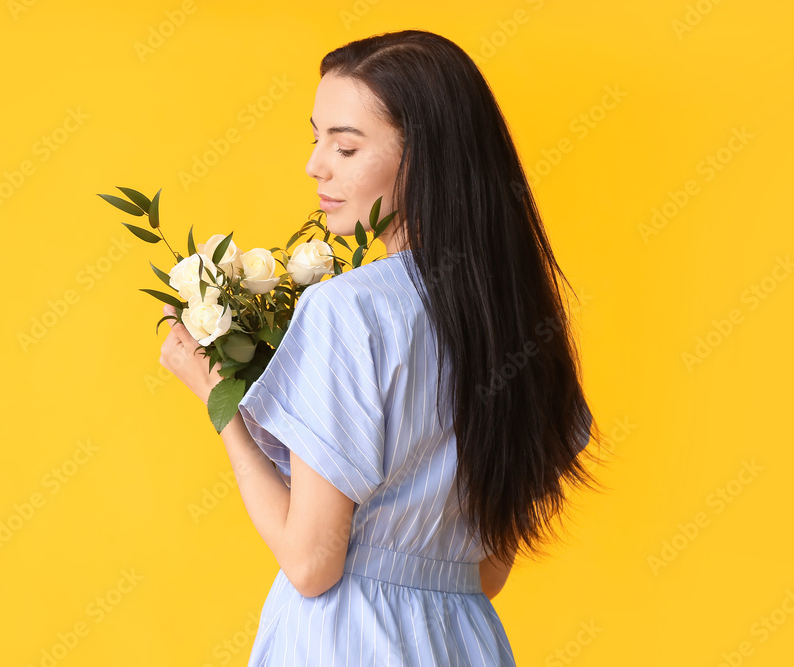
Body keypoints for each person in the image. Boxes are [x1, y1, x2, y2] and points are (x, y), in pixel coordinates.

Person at [159, 28, 611, 666]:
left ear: (425, 157)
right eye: (316, 139)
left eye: (345, 146)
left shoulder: (349, 311)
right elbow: (487, 575)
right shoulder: (519, 320)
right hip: (468, 642)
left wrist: (217, 398)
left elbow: (312, 565)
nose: (316, 165)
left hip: (345, 642)